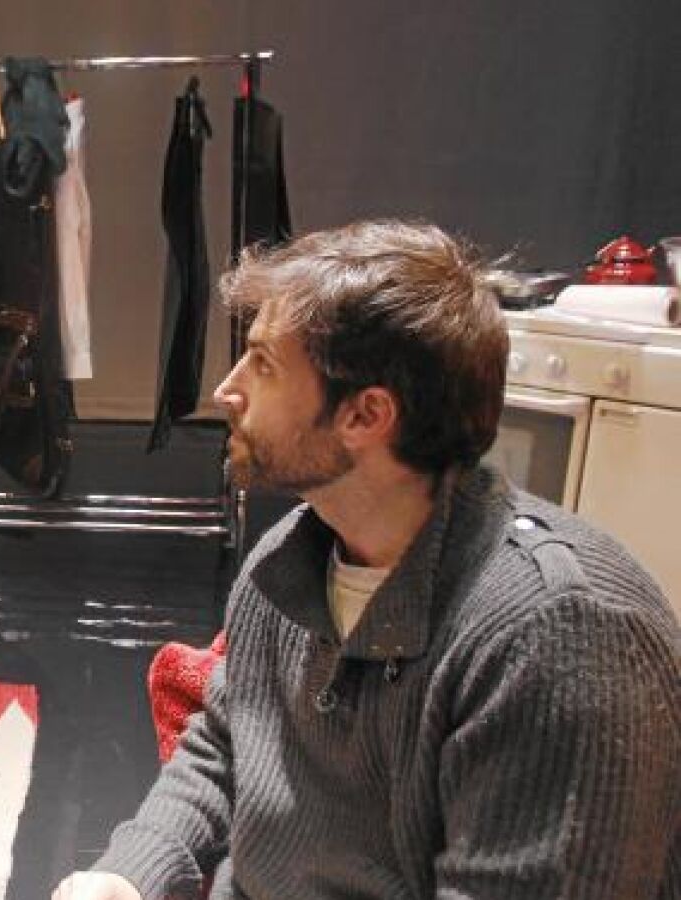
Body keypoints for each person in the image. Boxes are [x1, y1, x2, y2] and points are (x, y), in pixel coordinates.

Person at [54, 220, 680, 899]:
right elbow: (224, 745)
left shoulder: (556, 637)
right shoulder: (292, 557)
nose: (227, 391)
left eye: (263, 364)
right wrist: (129, 874)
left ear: (365, 415)